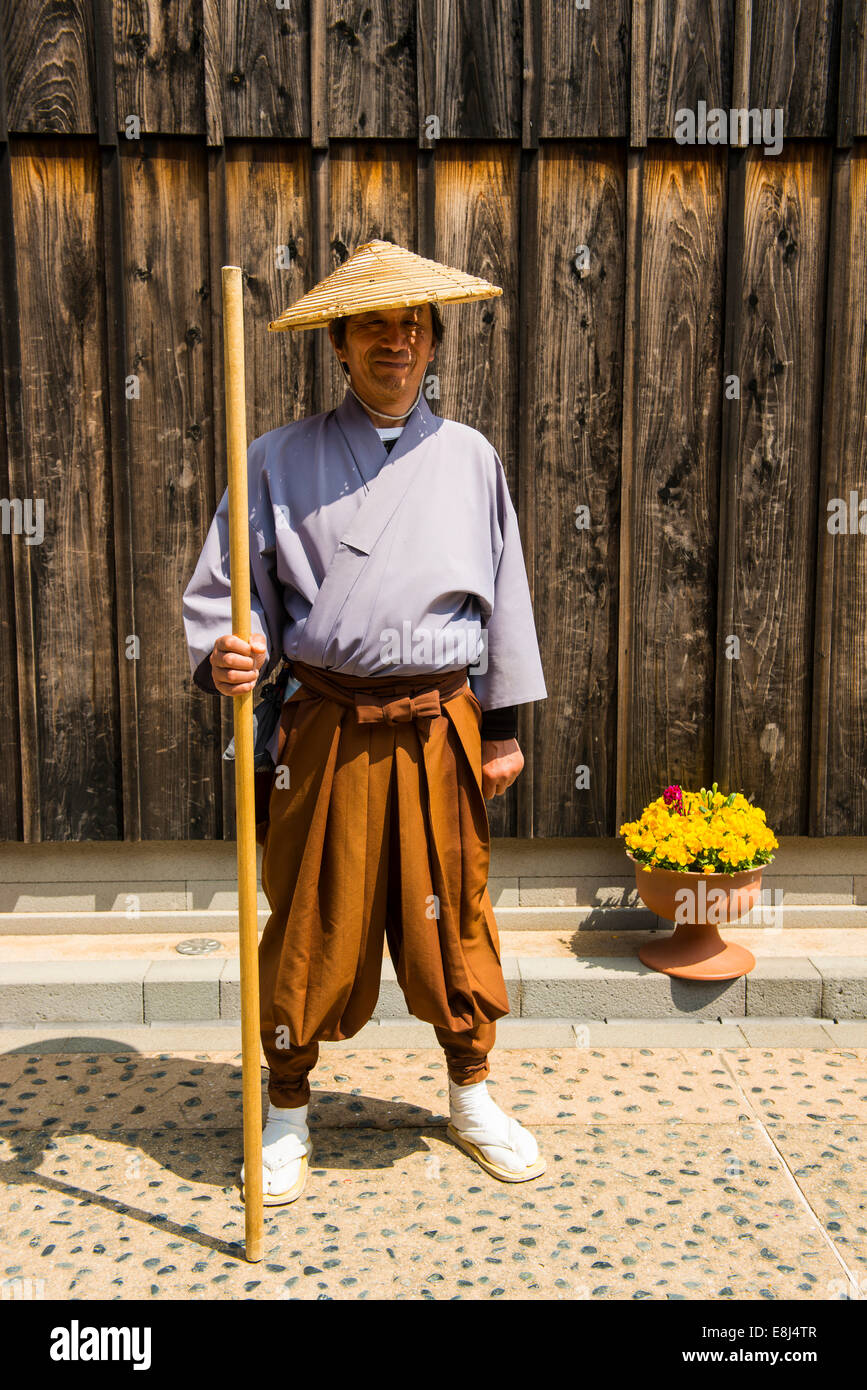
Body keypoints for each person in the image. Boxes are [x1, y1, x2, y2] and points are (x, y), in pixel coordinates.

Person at [183, 240, 548, 1205]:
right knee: (309, 918)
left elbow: (502, 597)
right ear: (340, 343)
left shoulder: (469, 457)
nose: (399, 341)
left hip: (438, 726)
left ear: (432, 346)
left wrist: (503, 729)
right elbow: (231, 595)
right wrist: (229, 653)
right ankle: (289, 1107)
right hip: (328, 729)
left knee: (453, 916)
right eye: (377, 325)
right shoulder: (275, 457)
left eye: (415, 326)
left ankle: (470, 1093)